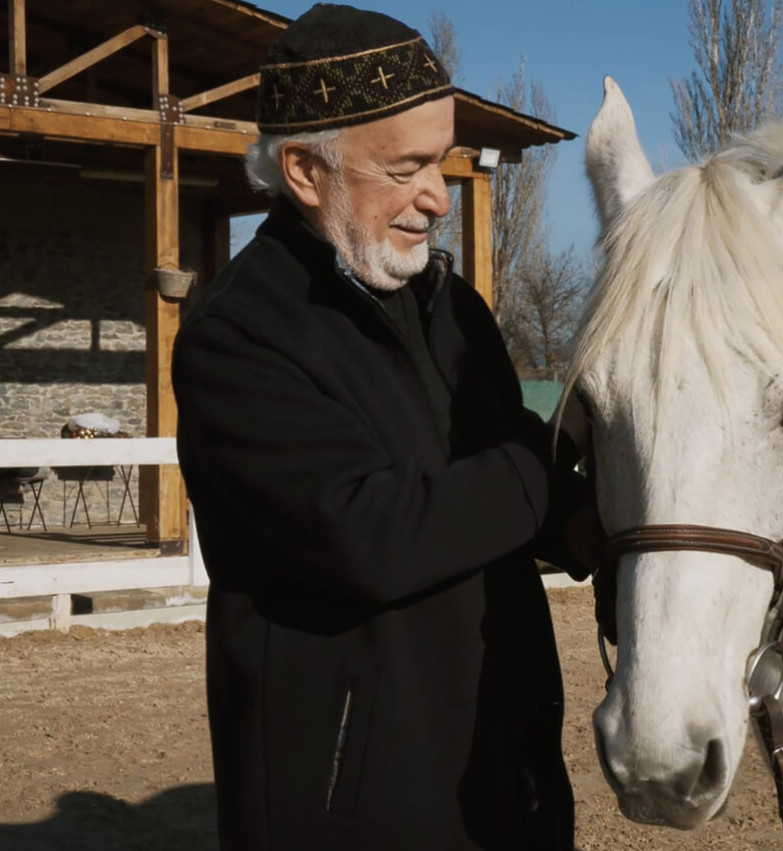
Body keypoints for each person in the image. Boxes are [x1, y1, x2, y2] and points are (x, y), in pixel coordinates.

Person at [172, 5, 595, 848]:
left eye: (441, 161)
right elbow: (366, 535)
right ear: (303, 171)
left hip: (501, 776)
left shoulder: (448, 304)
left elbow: (516, 480)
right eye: (405, 168)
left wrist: (614, 528)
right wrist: (535, 472)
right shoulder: (239, 334)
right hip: (351, 811)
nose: (437, 197)